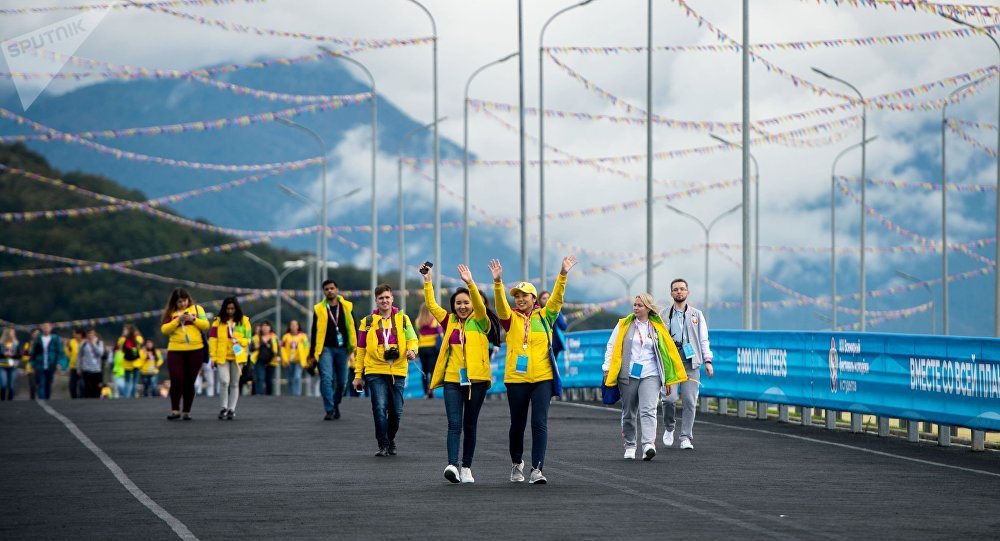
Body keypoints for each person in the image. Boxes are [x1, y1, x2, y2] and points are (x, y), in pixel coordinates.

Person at [489, 255, 577, 485]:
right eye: (516, 296)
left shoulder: (545, 316)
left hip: (542, 378)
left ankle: (537, 469)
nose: (519, 299)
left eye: (523, 296)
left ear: (533, 298)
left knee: (539, 423)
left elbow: (557, 299)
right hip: (516, 379)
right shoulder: (510, 319)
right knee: (517, 424)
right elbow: (499, 305)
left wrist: (563, 275)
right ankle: (516, 464)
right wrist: (498, 283)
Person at [422, 263, 493, 484]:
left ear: (473, 303)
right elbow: (432, 305)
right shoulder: (450, 321)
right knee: (454, 424)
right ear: (453, 305)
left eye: (466, 303)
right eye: (458, 303)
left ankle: (467, 467)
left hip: (477, 380)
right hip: (453, 379)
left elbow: (480, 308)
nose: (462, 306)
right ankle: (452, 464)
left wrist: (469, 283)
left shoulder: (482, 321)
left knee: (470, 425)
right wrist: (427, 281)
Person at [602, 294, 687, 460]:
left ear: (648, 308)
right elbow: (611, 346)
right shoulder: (624, 325)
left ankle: (648, 444)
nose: (636, 308)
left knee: (648, 410)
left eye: (640, 305)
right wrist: (606, 369)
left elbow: (666, 354)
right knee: (629, 412)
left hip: (651, 374)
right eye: (634, 305)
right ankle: (630, 444)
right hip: (628, 374)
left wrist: (668, 379)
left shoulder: (657, 327)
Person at [352, 284, 418, 457]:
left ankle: (390, 438)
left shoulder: (403, 319)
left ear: (392, 298)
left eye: (387, 297)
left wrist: (412, 351)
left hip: (398, 370)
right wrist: (358, 375)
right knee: (379, 407)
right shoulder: (367, 323)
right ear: (376, 301)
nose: (384, 301)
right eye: (381, 298)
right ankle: (383, 444)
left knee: (396, 411)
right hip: (375, 370)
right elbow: (361, 350)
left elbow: (413, 339)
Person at [661, 278, 714, 450]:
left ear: (687, 292)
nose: (679, 292)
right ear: (671, 293)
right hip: (670, 363)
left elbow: (704, 339)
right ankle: (669, 427)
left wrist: (707, 361)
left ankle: (685, 437)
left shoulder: (696, 315)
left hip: (691, 362)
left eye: (682, 289)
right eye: (675, 289)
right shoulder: (663, 315)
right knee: (669, 399)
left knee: (690, 401)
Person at [309, 279, 357, 420]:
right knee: (327, 379)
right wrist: (312, 353)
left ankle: (335, 403)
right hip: (325, 349)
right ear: (323, 292)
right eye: (326, 289)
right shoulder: (319, 309)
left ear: (337, 289)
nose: (329, 291)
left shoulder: (347, 306)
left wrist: (357, 346)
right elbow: (314, 330)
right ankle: (329, 409)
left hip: (343, 349)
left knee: (343, 382)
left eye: (332, 288)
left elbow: (353, 327)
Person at [160, 288, 210, 420]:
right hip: (175, 350)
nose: (182, 304)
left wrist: (193, 319)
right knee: (176, 379)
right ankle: (175, 410)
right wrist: (177, 320)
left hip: (195, 349)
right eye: (179, 302)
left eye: (184, 301)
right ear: (175, 302)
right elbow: (165, 329)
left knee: (189, 381)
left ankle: (187, 411)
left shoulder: (198, 309)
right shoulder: (170, 312)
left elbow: (206, 325)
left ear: (188, 299)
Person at [208, 297, 251, 419]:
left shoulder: (244, 321)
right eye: (228, 308)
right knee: (224, 381)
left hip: (238, 356)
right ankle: (223, 408)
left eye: (232, 308)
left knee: (234, 383)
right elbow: (212, 340)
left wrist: (239, 340)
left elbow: (248, 339)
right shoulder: (217, 321)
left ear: (236, 308)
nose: (230, 311)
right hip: (222, 356)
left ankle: (232, 409)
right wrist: (213, 357)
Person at [414, 303, 443, 398]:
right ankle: (431, 389)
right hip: (432, 348)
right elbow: (440, 333)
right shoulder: (435, 321)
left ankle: (426, 392)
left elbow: (419, 333)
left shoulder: (418, 321)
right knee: (432, 370)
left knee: (424, 370)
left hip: (422, 347)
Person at [30, 322, 65, 400]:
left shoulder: (55, 339)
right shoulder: (38, 339)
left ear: (51, 328)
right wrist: (32, 365)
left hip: (51, 364)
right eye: (44, 327)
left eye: (47, 327)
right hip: (40, 365)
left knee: (48, 383)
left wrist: (59, 363)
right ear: (42, 328)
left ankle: (47, 399)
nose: (46, 328)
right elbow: (33, 353)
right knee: (41, 383)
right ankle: (42, 399)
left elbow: (60, 352)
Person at [281, 320, 309, 397]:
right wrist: (285, 359)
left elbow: (306, 348)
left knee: (297, 377)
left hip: (299, 360)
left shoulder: (303, 336)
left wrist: (305, 358)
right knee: (290, 379)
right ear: (289, 326)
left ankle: (297, 394)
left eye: (295, 325)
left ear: (298, 326)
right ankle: (291, 395)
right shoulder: (285, 337)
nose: (293, 326)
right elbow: (282, 348)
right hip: (289, 361)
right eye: (292, 325)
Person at [538, 291, 568, 363]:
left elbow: (563, 326)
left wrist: (554, 313)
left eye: (549, 298)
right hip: (541, 344)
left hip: (554, 344)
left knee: (552, 367)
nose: (547, 300)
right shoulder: (537, 313)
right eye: (544, 298)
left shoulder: (556, 311)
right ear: (539, 301)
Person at [251, 321, 280, 396]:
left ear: (270, 328)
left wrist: (278, 357)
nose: (265, 328)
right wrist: (255, 347)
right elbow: (251, 348)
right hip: (259, 360)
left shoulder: (274, 337)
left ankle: (269, 395)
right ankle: (259, 394)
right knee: (260, 377)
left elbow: (279, 348)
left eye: (267, 326)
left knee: (269, 379)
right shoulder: (256, 338)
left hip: (271, 360)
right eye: (263, 326)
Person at [77, 328, 106, 399]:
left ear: (95, 334)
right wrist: (78, 368)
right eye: (89, 334)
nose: (91, 335)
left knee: (97, 389)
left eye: (92, 334)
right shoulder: (83, 344)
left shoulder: (99, 342)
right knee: (87, 389)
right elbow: (79, 356)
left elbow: (100, 353)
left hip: (97, 369)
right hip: (86, 369)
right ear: (87, 335)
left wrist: (93, 345)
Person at [116, 324, 144, 399]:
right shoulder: (137, 338)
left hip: (129, 362)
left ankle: (127, 397)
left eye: (125, 330)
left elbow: (119, 345)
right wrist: (136, 334)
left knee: (128, 381)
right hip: (135, 362)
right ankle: (131, 396)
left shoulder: (124, 339)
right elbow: (141, 341)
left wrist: (123, 335)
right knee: (133, 381)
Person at [66, 328, 84, 399]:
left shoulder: (84, 342)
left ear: (80, 334)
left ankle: (81, 398)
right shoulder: (71, 342)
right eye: (74, 333)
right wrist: (68, 348)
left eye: (76, 333)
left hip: (82, 367)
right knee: (72, 386)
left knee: (82, 385)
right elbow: (68, 354)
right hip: (73, 366)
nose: (75, 335)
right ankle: (74, 398)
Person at [1, 328, 19, 401]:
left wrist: (12, 355)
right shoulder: (1, 344)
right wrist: (4, 354)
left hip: (13, 366)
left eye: (13, 333)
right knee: (3, 384)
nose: (12, 334)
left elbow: (19, 355)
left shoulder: (16, 344)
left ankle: (10, 401)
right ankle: (2, 399)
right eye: (11, 333)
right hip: (2, 365)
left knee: (11, 385)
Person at [21, 329, 38, 400]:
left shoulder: (43, 344)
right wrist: (31, 357)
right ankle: (32, 401)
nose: (36, 335)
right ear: (32, 335)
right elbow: (24, 357)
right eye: (35, 333)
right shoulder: (28, 345)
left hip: (40, 367)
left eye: (38, 334)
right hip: (30, 368)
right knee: (32, 386)